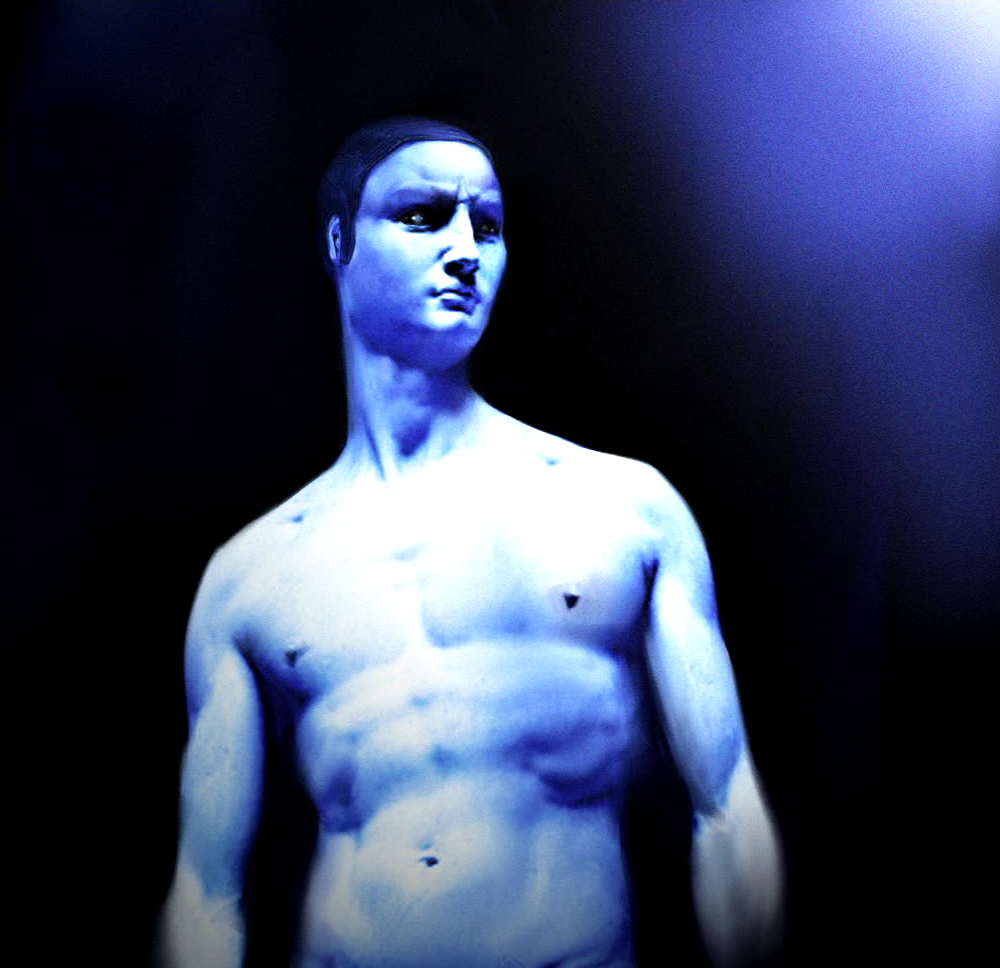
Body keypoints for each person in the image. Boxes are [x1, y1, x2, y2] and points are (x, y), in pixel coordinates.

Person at [157, 117, 784, 968]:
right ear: (339, 243)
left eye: (485, 225)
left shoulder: (620, 509)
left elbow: (725, 806)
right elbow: (205, 894)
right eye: (422, 216)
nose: (464, 252)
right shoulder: (253, 577)